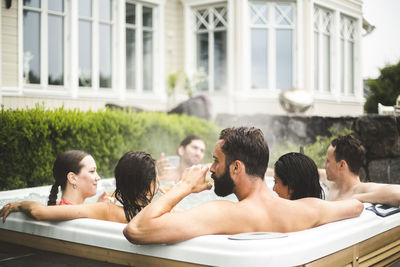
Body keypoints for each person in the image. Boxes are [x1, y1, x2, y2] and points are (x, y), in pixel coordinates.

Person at [123, 127, 363, 245]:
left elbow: (136, 230)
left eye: (217, 161)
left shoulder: (224, 213)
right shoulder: (308, 208)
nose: (212, 169)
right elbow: (356, 207)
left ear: (236, 168)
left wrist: (184, 186)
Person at [0, 151, 158, 223]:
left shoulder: (95, 209)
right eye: (92, 171)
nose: (98, 177)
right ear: (72, 178)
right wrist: (19, 204)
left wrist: (99, 206)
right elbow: (38, 211)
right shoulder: (97, 211)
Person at [322, 135, 400, 207]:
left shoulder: (361, 190)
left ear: (342, 165)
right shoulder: (332, 185)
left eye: (328, 161)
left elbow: (397, 193)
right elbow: (317, 173)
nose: (324, 165)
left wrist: (354, 198)